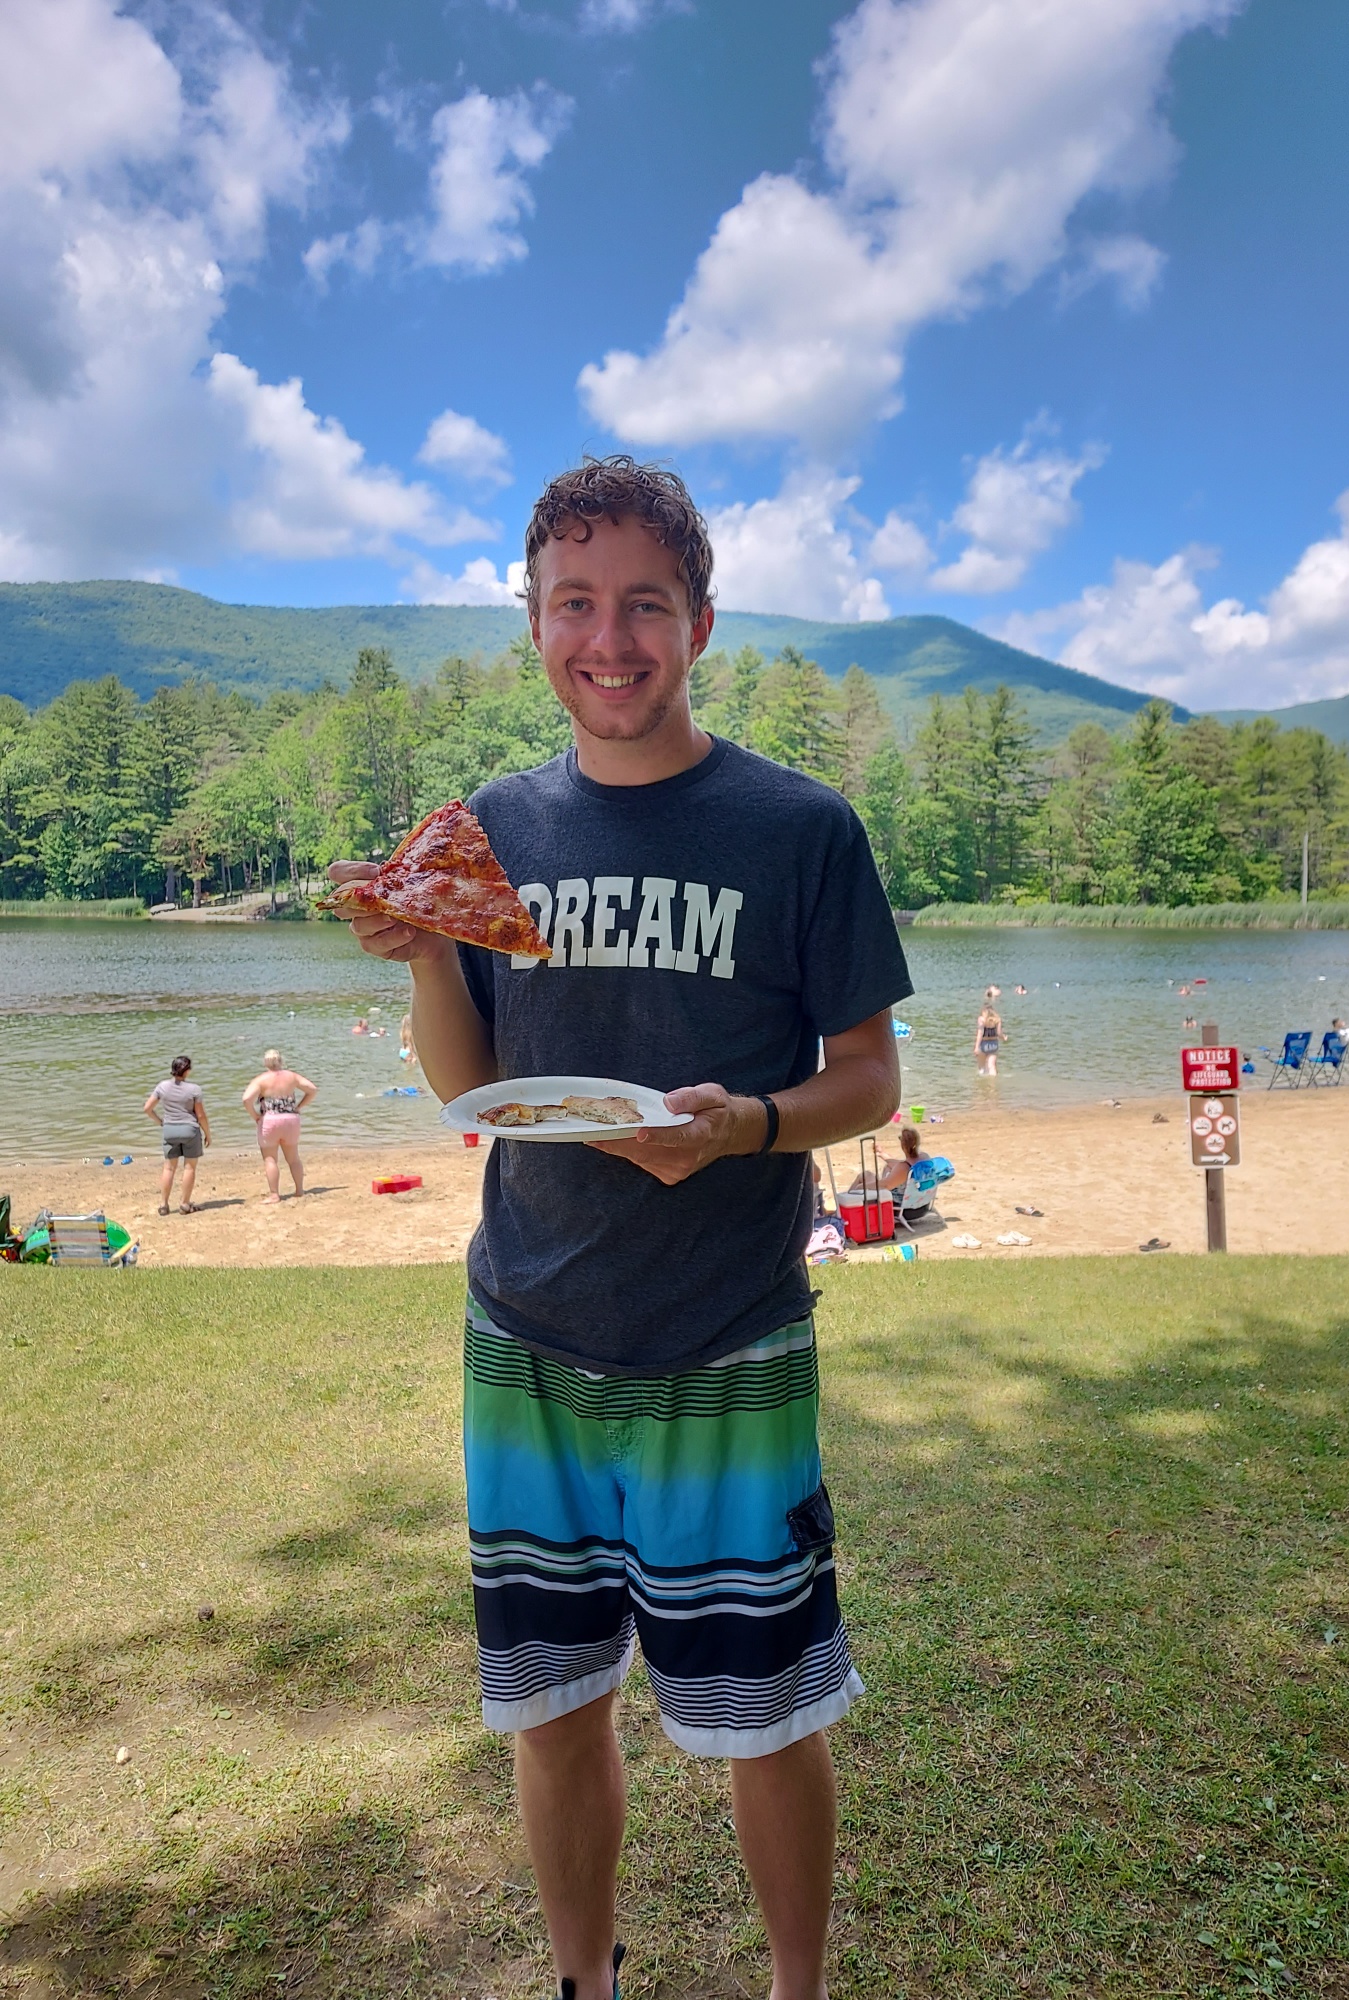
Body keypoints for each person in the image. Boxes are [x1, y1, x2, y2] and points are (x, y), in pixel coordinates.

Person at [329, 457, 911, 2000]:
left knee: (768, 1714)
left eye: (643, 605)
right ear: (533, 626)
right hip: (526, 1334)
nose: (610, 638)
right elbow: (480, 1092)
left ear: (699, 623)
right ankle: (584, 1982)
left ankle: (799, 1988)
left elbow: (868, 1080)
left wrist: (747, 1127)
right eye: (573, 604)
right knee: (553, 1700)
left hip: (728, 1335)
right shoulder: (491, 831)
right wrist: (418, 959)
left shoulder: (800, 830)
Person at [242, 1050, 317, 1201]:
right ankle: (299, 1190)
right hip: (290, 1119)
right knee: (294, 1158)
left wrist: (255, 1115)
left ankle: (274, 1194)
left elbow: (246, 1099)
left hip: (270, 1120)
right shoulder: (292, 1076)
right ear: (281, 1061)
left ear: (265, 1063)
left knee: (270, 1159)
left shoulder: (261, 1079)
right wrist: (299, 1106)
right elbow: (312, 1090)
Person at [143, 1055, 210, 1215]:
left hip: (170, 1130)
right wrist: (208, 1133)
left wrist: (161, 1122)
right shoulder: (194, 1089)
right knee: (189, 1168)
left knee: (169, 1168)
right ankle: (185, 1204)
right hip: (190, 1130)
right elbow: (200, 1115)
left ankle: (164, 1205)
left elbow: (147, 1108)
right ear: (186, 1071)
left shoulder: (162, 1086)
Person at [974, 1001, 1004, 1075]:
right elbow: (999, 1033)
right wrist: (1004, 1037)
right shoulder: (997, 1019)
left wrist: (976, 1047)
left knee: (982, 1067)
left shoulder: (981, 1019)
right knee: (992, 1066)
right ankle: (993, 1083)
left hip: (983, 1044)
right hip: (994, 1044)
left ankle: (982, 1084)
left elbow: (980, 1033)